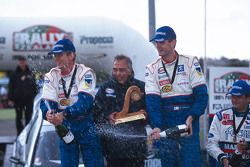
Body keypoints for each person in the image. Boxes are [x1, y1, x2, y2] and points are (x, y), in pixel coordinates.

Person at [145, 26, 208, 167]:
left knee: (191, 162)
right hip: (166, 120)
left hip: (188, 119)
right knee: (168, 162)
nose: (158, 46)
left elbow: (202, 95)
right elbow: (152, 102)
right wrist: (156, 125)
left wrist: (192, 116)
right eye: (156, 42)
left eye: (162, 42)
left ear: (173, 42)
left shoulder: (191, 62)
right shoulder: (151, 68)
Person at [39, 39, 104, 167]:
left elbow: (85, 103)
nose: (56, 58)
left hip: (86, 125)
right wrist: (48, 114)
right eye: (55, 55)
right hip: (65, 126)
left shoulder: (86, 73)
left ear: (71, 55)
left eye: (60, 55)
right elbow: (46, 102)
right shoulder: (51, 76)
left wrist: (64, 114)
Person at [94, 55, 147, 167]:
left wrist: (146, 115)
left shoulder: (141, 87)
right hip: (113, 149)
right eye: (115, 69)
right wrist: (107, 116)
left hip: (136, 148)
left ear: (130, 71)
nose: (118, 73)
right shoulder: (105, 88)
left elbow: (151, 112)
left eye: (122, 70)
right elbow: (95, 112)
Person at [207, 80, 250, 167]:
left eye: (239, 97)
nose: (234, 100)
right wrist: (221, 157)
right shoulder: (220, 116)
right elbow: (211, 144)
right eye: (233, 96)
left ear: (248, 98)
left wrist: (247, 145)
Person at [8, 56, 38, 135]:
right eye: (20, 61)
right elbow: (11, 87)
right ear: (18, 62)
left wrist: (35, 96)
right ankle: (20, 133)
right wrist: (10, 99)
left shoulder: (30, 73)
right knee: (19, 117)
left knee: (29, 116)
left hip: (29, 99)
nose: (22, 63)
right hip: (18, 99)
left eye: (23, 61)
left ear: (25, 62)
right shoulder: (14, 74)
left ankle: (28, 132)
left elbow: (34, 86)